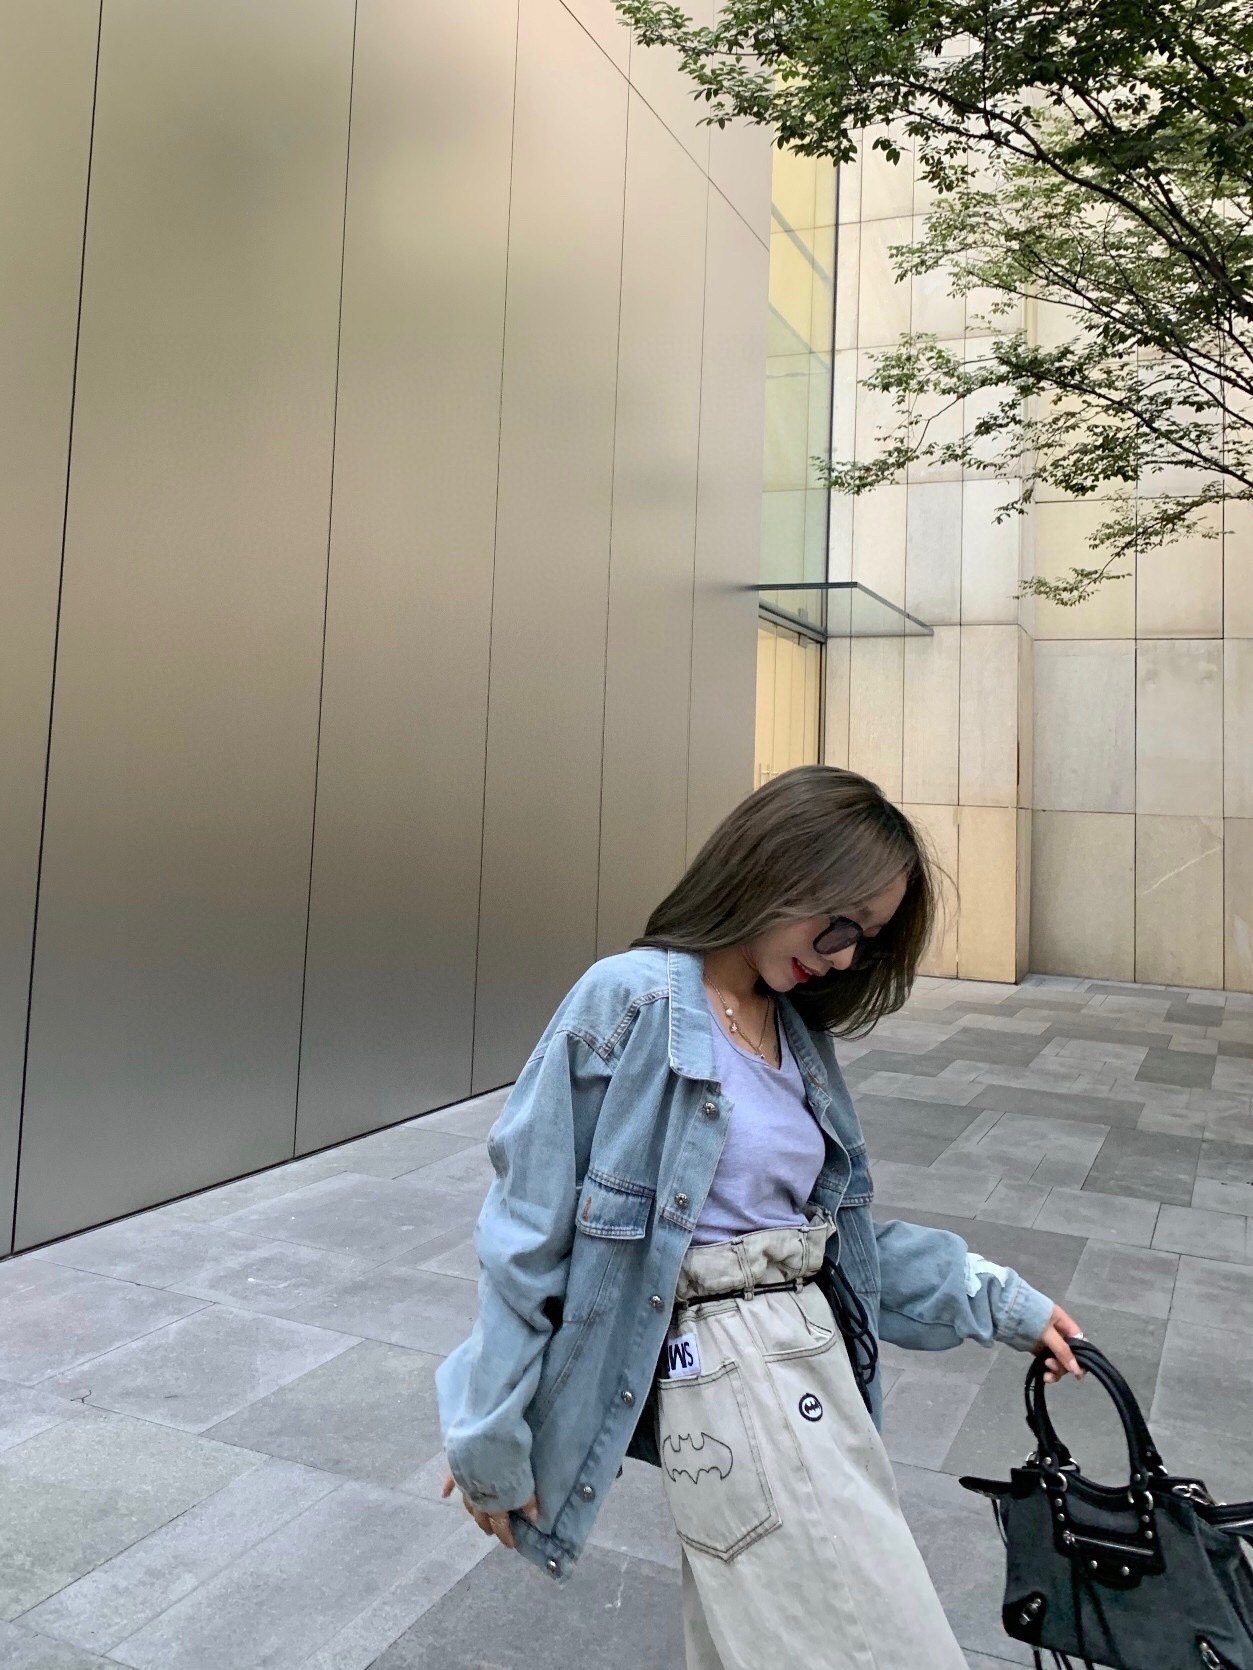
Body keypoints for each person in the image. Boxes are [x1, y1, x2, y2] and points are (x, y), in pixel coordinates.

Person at [437, 765, 1083, 1669]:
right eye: (842, 923)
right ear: (779, 868)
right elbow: (525, 1234)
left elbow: (829, 1249)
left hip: (814, 1372)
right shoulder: (628, 999)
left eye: (867, 939)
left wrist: (997, 1300)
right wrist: (487, 1432)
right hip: (729, 1388)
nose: (845, 957)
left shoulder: (795, 1032)